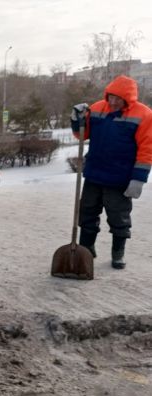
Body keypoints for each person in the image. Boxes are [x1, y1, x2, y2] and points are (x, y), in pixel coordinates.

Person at [71, 75, 152, 269]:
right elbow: (82, 134)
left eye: (118, 98)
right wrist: (77, 119)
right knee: (87, 212)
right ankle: (86, 248)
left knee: (119, 216)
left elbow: (147, 148)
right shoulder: (98, 108)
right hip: (94, 173)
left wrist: (138, 179)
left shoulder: (144, 115)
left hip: (120, 178)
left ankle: (118, 253)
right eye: (111, 96)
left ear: (128, 99)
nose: (113, 101)